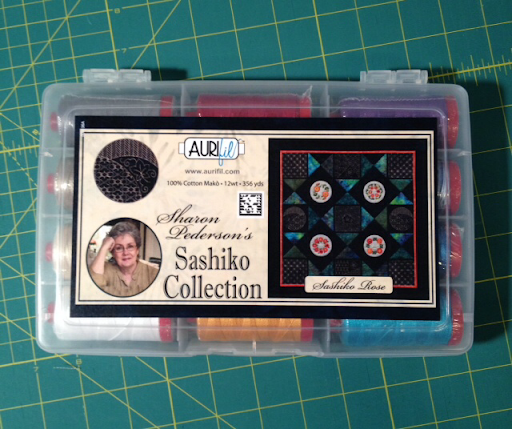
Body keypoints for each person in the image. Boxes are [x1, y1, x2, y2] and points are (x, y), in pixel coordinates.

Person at [89, 221, 159, 297]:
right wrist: (104, 247)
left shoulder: (153, 273)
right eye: (119, 248)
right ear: (113, 253)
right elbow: (92, 287)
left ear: (137, 250)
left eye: (130, 246)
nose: (125, 253)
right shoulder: (105, 270)